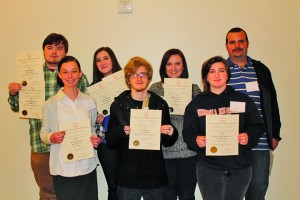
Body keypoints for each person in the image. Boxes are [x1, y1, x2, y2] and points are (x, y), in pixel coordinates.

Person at [7, 33, 89, 199]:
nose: (54, 52)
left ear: (66, 52)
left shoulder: (77, 76)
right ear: (43, 51)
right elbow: (17, 108)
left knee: (72, 193)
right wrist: (14, 94)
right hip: (41, 147)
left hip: (72, 144)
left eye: (59, 48)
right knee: (48, 194)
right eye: (49, 47)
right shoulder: (30, 77)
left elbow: (86, 110)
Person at [183, 56, 264, 200]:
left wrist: (248, 136)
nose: (217, 75)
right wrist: (196, 140)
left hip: (239, 167)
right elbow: (188, 133)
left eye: (221, 70)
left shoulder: (243, 99)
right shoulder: (196, 103)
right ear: (206, 77)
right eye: (212, 71)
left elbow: (257, 126)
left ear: (227, 75)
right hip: (209, 168)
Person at [106, 56, 178, 200]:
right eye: (133, 75)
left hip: (155, 177)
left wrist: (171, 132)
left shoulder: (160, 104)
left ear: (148, 77)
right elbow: (110, 142)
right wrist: (120, 132)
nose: (138, 78)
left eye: (142, 74)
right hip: (127, 178)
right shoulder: (118, 105)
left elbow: (168, 142)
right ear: (128, 79)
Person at [225, 27, 282, 200]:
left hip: (261, 142)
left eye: (241, 41)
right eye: (232, 42)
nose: (237, 46)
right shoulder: (220, 70)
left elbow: (272, 102)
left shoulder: (261, 70)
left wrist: (275, 134)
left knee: (258, 188)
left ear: (247, 44)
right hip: (229, 142)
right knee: (230, 192)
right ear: (226, 46)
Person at [40, 55, 100, 200]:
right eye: (65, 72)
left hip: (87, 166)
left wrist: (95, 138)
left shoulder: (89, 101)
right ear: (59, 75)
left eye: (74, 71)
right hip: (63, 168)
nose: (70, 76)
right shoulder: (50, 104)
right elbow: (44, 132)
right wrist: (51, 137)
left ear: (80, 74)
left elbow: (92, 127)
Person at [148, 48, 200, 200]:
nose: (173, 68)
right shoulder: (155, 89)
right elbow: (148, 117)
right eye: (169, 64)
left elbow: (201, 119)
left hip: (188, 152)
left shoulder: (193, 88)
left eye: (177, 63)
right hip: (163, 154)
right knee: (167, 196)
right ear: (164, 67)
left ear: (183, 66)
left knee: (187, 196)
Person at [90, 47, 122, 200]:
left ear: (113, 59)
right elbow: (87, 119)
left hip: (126, 140)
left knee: (127, 186)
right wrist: (95, 119)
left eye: (106, 58)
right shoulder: (92, 90)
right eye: (98, 60)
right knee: (113, 186)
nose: (102, 62)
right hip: (105, 142)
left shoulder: (128, 82)